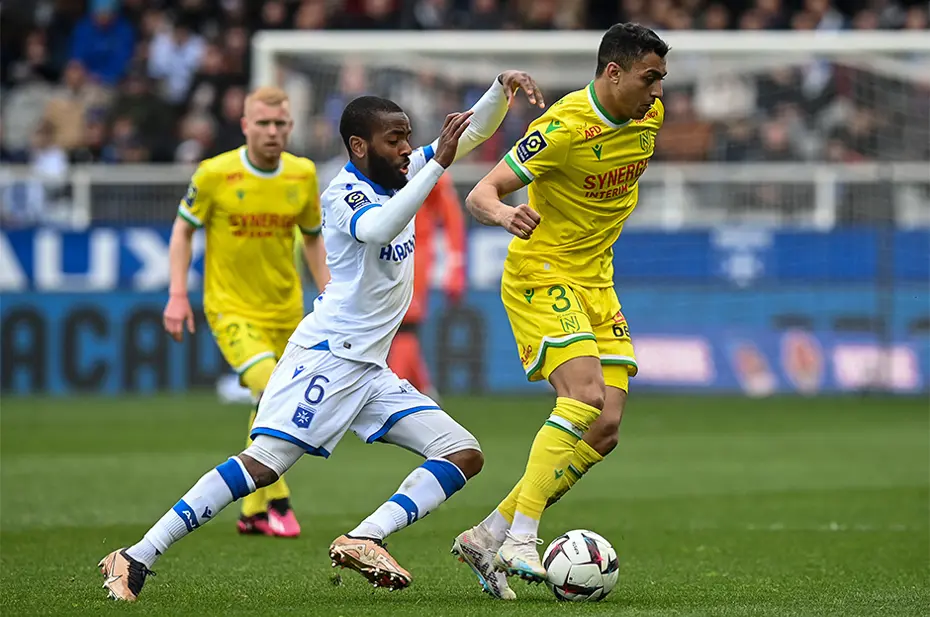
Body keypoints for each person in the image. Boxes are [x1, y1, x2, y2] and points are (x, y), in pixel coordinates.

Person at [98, 69, 544, 602]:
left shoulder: (406, 173)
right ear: (359, 146)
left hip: (370, 369)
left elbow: (470, 134)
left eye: (409, 137)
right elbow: (379, 227)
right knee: (262, 466)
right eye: (394, 139)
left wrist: (498, 89)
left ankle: (364, 537)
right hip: (327, 358)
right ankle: (135, 555)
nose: (407, 148)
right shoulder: (343, 193)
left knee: (463, 452)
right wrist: (437, 165)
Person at [451, 23, 669, 599]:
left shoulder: (649, 116)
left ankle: (488, 534)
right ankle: (523, 537)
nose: (657, 91)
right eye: (649, 78)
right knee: (583, 396)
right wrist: (506, 215)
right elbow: (480, 194)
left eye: (661, 79)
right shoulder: (563, 128)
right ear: (613, 73)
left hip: (597, 281)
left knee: (605, 427)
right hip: (542, 272)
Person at [161, 86, 330, 539]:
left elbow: (312, 238)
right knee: (273, 391)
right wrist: (177, 293)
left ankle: (252, 512)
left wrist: (330, 293)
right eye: (263, 123)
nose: (272, 131)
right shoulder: (215, 174)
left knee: (266, 404)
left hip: (287, 311)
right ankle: (279, 502)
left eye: (280, 124)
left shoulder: (302, 174)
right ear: (245, 126)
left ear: (290, 127)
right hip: (231, 308)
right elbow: (182, 231)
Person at [387, 173, 466, 401]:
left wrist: (456, 265)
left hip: (413, 252)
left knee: (406, 327)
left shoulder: (429, 168)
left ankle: (393, 395)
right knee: (391, 328)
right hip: (377, 253)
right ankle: (424, 392)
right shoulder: (371, 163)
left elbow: (451, 215)